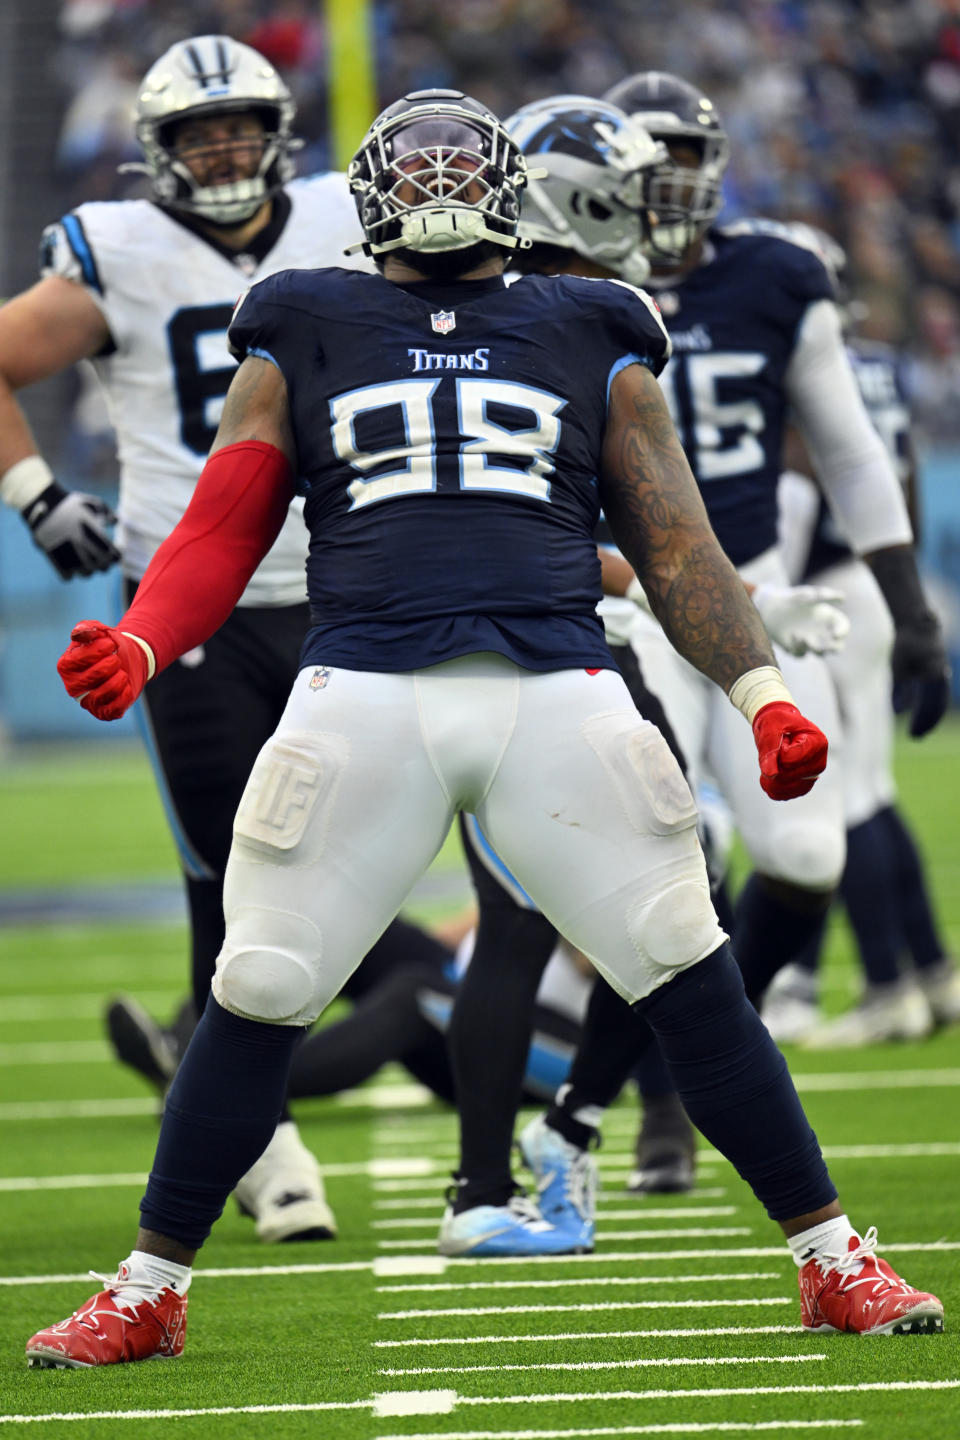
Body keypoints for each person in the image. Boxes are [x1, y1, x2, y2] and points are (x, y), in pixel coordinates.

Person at [28, 87, 942, 1369]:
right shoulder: (307, 314)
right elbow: (229, 517)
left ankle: (831, 1257)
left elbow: (675, 543)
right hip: (366, 691)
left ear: (510, 187)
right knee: (262, 982)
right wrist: (146, 634)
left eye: (468, 160)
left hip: (552, 685)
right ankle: (149, 1286)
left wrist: (764, 692)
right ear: (371, 193)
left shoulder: (590, 320)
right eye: (422, 163)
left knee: (688, 957)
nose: (444, 181)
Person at [441, 78, 951, 1250]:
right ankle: (626, 1122)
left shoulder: (774, 277)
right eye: (634, 164)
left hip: (742, 589)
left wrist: (906, 605)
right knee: (680, 859)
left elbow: (852, 448)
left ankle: (581, 1112)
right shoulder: (538, 290)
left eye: (672, 159)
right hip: (612, 606)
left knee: (807, 849)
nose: (655, 185)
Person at [0, 33, 377, 1243]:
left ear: (279, 133)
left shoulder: (342, 218)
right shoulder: (120, 251)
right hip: (186, 601)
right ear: (156, 152)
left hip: (347, 588)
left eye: (238, 125)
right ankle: (267, 1145)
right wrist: (36, 494)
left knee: (350, 855)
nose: (222, 148)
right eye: (197, 132)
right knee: (228, 867)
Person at [762, 225, 960, 1046]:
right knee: (872, 792)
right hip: (877, 585)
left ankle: (887, 987)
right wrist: (903, 588)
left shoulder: (804, 362)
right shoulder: (877, 362)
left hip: (826, 591)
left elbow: (808, 478)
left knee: (845, 800)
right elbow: (898, 483)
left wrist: (773, 589)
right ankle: (932, 973)